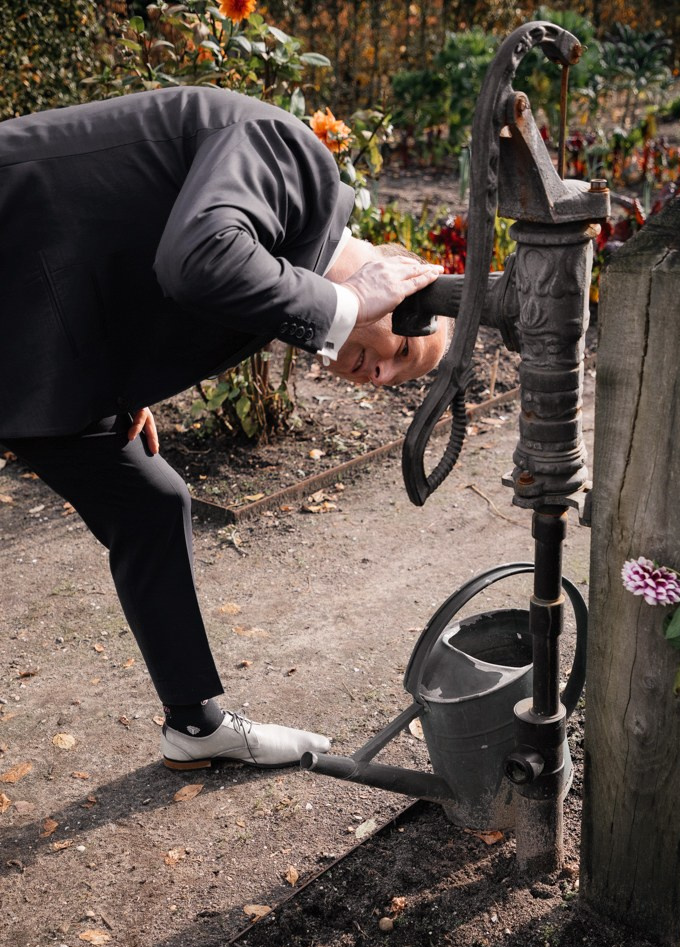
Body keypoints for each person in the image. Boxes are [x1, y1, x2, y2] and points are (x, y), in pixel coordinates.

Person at [0, 87, 448, 770]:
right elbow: (199, 259)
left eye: (399, 381)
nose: (383, 378)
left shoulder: (280, 287)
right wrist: (350, 302)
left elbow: (154, 268)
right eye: (406, 352)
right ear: (401, 278)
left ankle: (195, 725)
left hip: (41, 339)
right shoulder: (295, 158)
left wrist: (126, 388)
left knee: (149, 503)